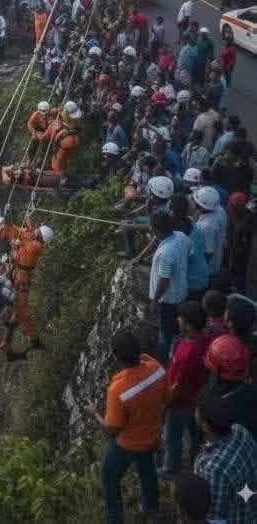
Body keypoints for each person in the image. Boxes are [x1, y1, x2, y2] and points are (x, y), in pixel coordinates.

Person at [85, 330, 166, 524]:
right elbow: (166, 398)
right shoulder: (156, 369)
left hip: (127, 445)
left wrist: (94, 413)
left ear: (116, 357)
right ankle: (152, 511)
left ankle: (115, 520)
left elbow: (112, 429)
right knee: (147, 471)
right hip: (152, 436)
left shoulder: (118, 390)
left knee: (108, 477)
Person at [193, 386, 257, 524]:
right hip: (250, 509)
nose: (195, 410)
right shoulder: (240, 431)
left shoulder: (214, 470)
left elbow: (215, 518)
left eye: (198, 409)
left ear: (205, 426)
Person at [161, 301, 210, 477]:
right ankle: (194, 460)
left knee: (172, 437)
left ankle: (171, 470)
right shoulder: (202, 339)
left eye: (180, 318)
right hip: (195, 397)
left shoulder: (187, 353)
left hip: (180, 402)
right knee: (194, 432)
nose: (177, 320)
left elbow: (178, 386)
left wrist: (165, 404)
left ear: (188, 324)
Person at [0, 217, 53, 360]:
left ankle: (33, 339)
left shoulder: (34, 246)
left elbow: (22, 234)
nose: (35, 232)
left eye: (37, 232)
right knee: (17, 309)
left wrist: (9, 221)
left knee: (22, 311)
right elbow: (30, 232)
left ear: (39, 237)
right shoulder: (35, 242)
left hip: (20, 280)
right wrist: (28, 220)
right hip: (16, 273)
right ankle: (12, 324)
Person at [149, 213, 191, 361]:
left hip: (168, 299)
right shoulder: (181, 236)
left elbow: (164, 280)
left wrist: (155, 300)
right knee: (177, 327)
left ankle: (166, 360)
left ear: (155, 230)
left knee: (166, 333)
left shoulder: (166, 253)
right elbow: (190, 253)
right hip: (181, 290)